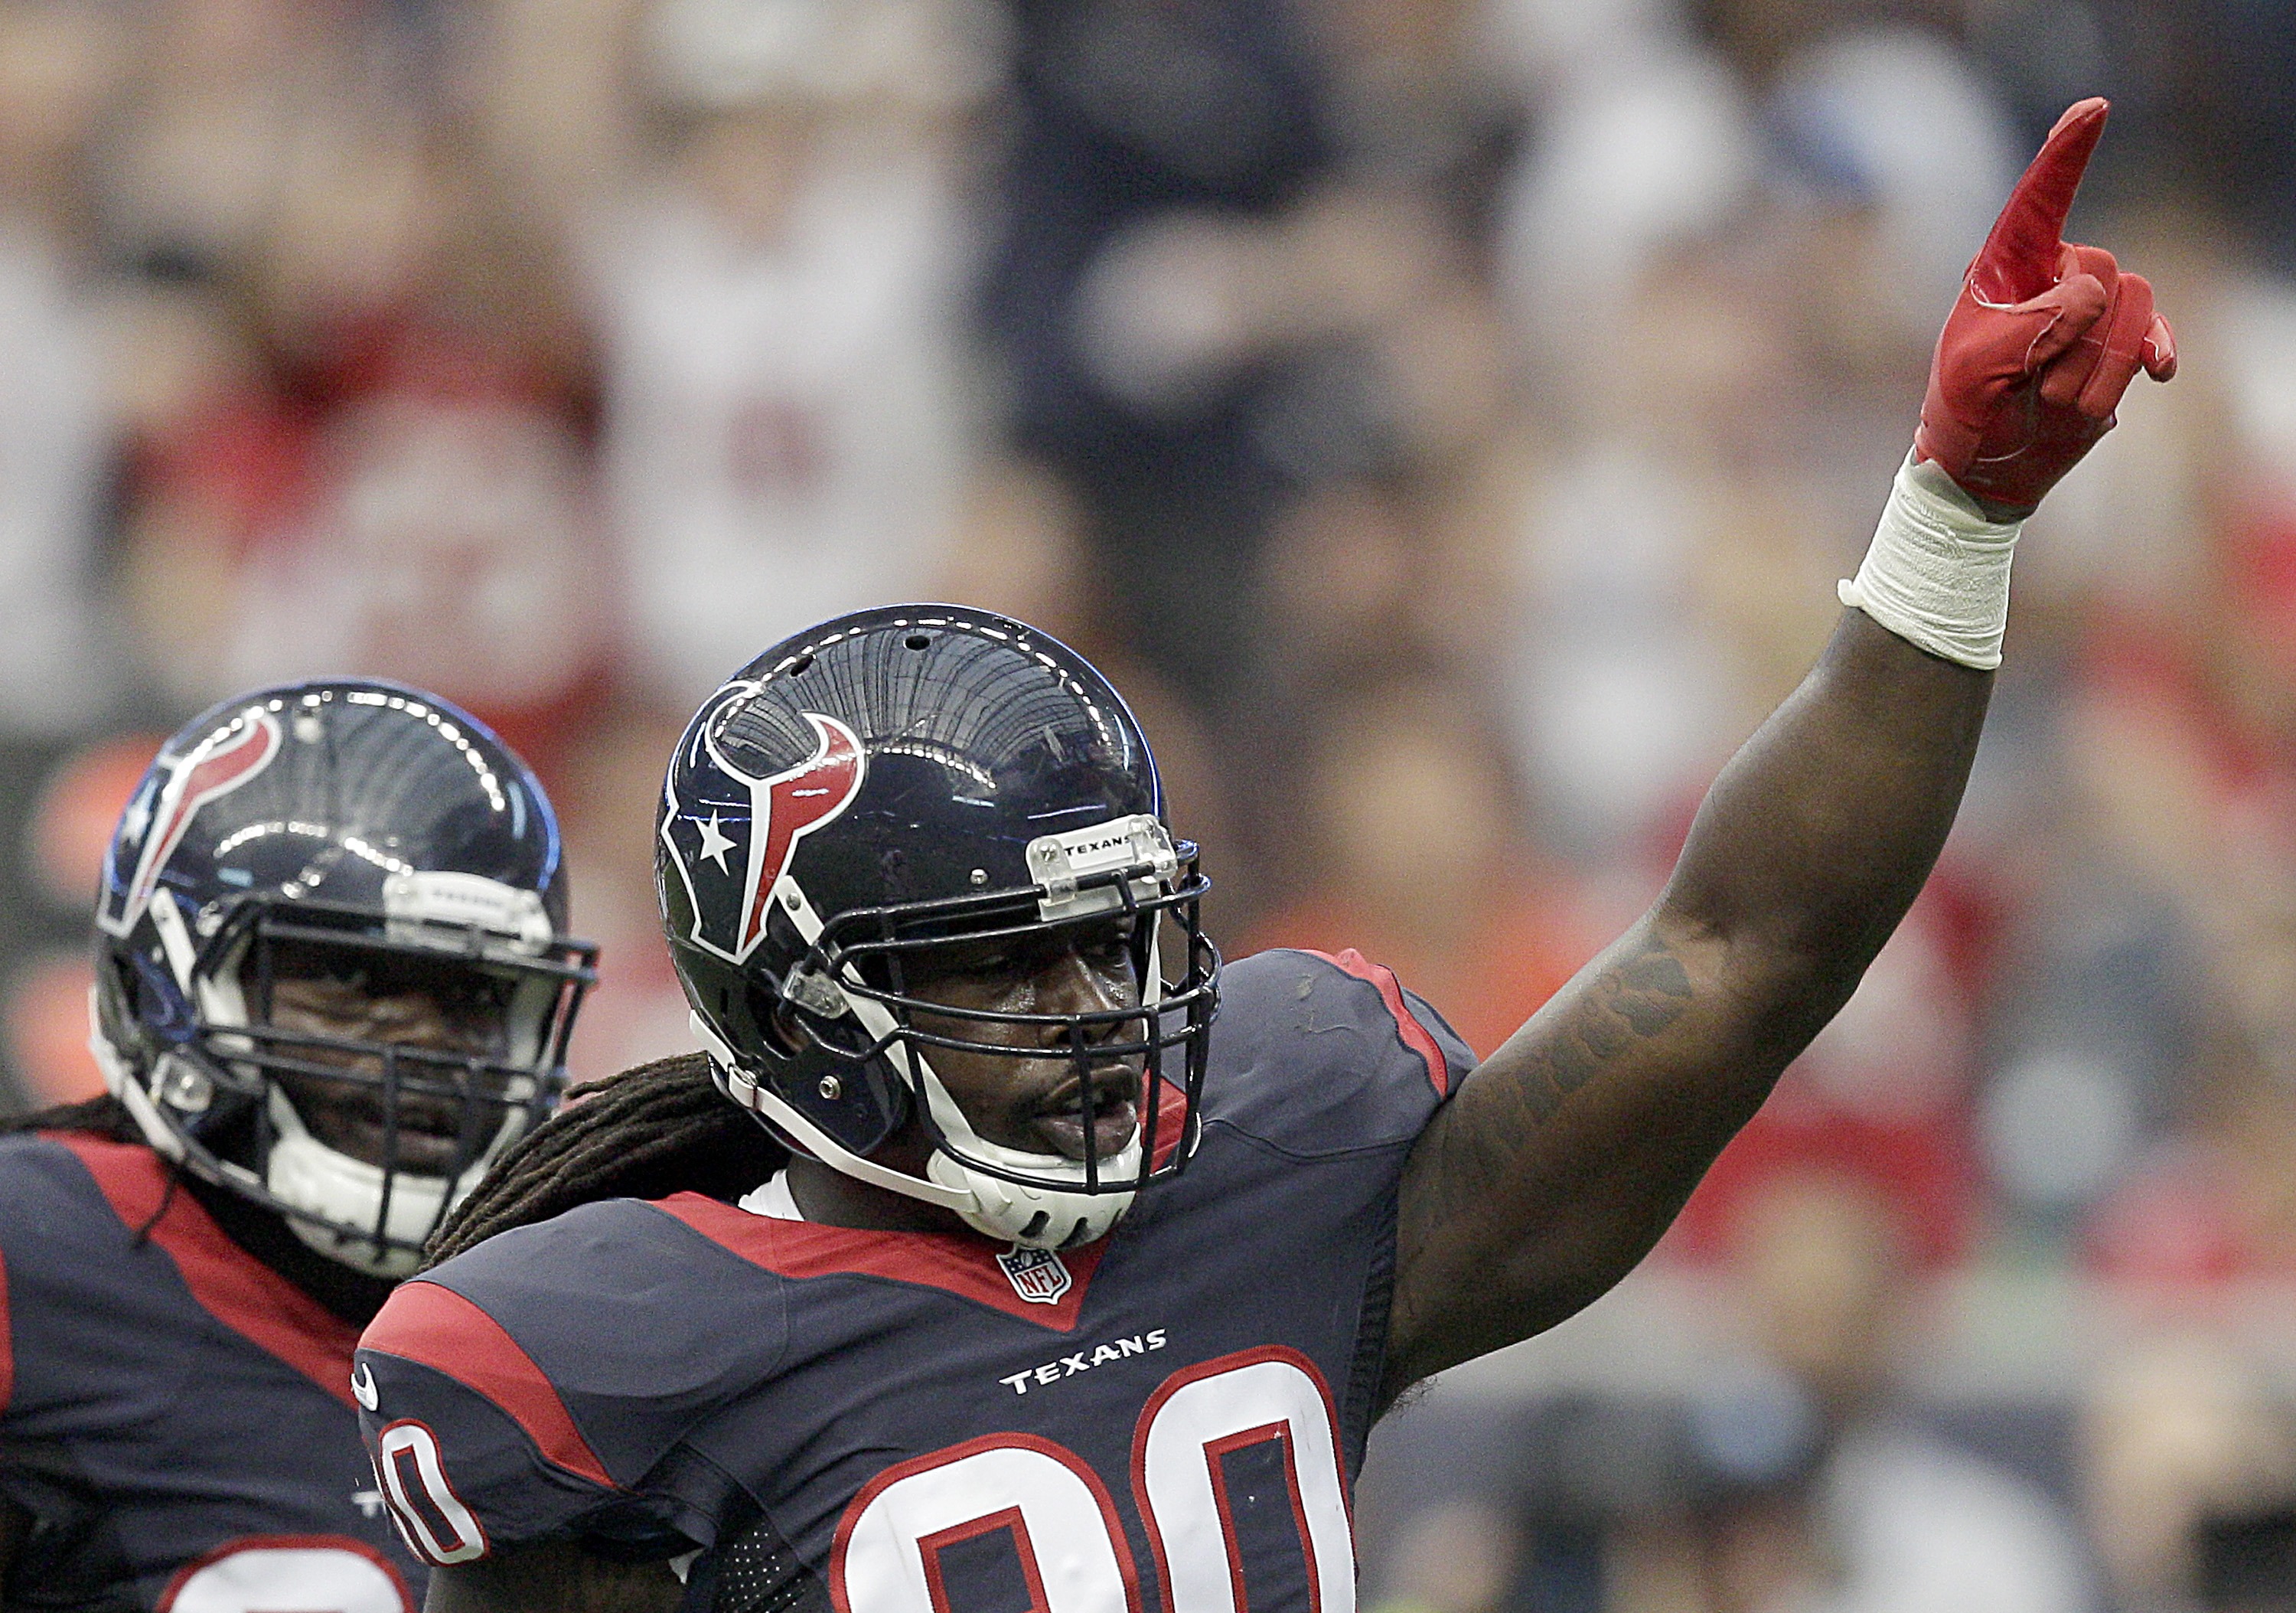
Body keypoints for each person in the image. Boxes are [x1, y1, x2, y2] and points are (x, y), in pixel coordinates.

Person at [355, 100, 2176, 1609]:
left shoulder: (1277, 1172)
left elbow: (1738, 954)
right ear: (803, 1014)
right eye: (1004, 961)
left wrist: (1954, 515)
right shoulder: (611, 1353)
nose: (1093, 1005)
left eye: (1108, 937)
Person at [0, 680, 595, 1608]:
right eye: (354, 980)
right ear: (167, 985)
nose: (426, 1048)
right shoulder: (34, 1251)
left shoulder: (588, 1313)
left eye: (477, 995)